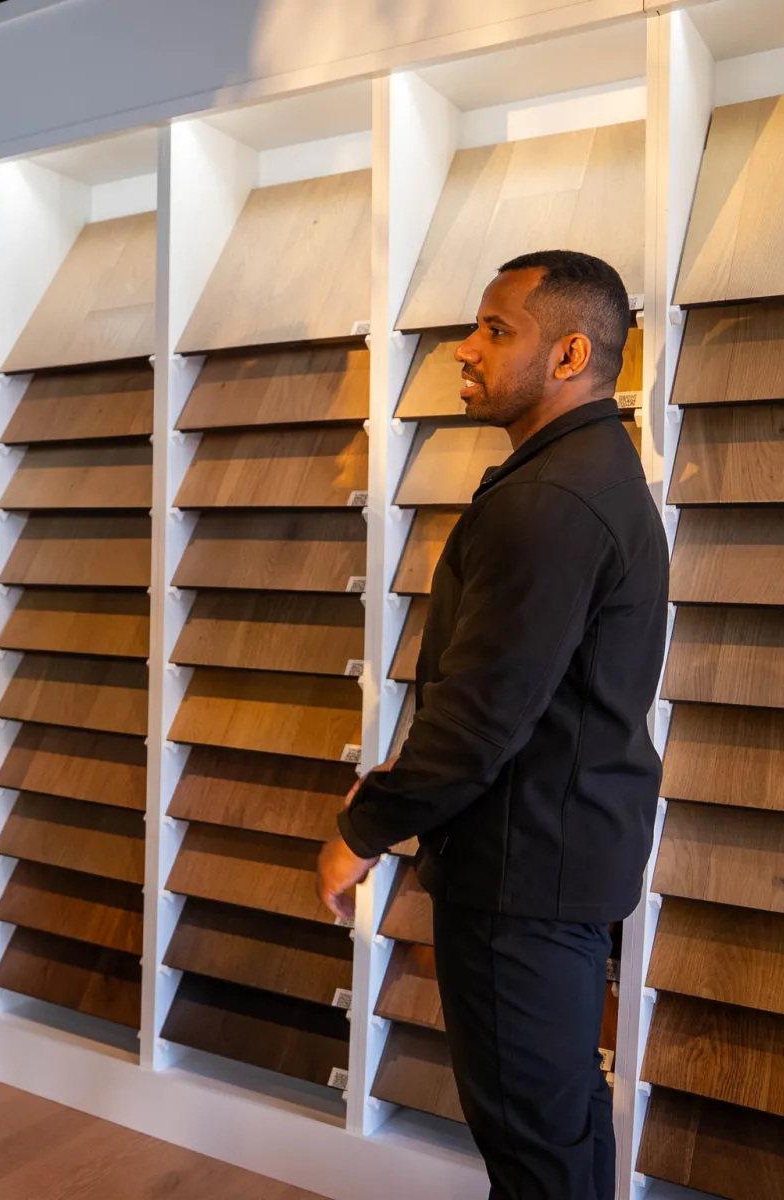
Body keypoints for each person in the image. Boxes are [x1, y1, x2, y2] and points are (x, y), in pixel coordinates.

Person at [317, 250, 666, 1200]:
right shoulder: (587, 474)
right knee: (560, 1130)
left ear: (568, 354)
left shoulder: (552, 500)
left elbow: (480, 717)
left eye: (494, 329)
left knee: (535, 1151)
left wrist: (361, 830)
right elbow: (519, 696)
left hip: (525, 880)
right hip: (557, 859)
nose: (464, 349)